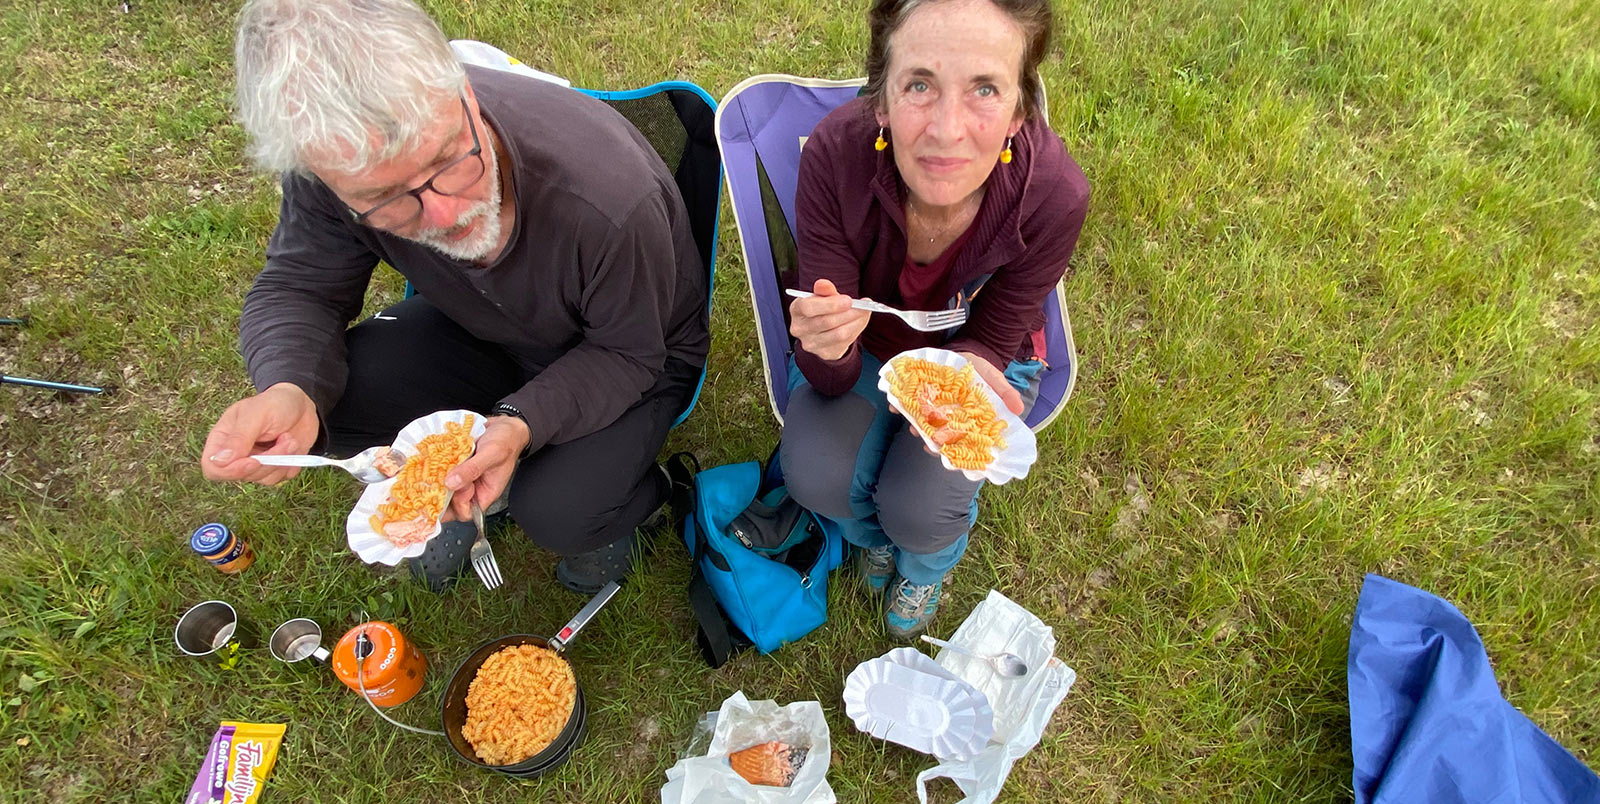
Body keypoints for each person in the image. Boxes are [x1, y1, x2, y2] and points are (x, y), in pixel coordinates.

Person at [199, 0, 708, 593]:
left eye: (449, 160)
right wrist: (290, 385)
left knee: (562, 511)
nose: (446, 215)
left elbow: (629, 352)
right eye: (387, 197)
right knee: (330, 399)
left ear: (464, 93)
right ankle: (455, 479)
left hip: (632, 351)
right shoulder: (331, 164)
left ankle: (639, 502)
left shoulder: (609, 198)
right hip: (480, 323)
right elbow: (301, 285)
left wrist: (519, 422)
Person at [781, 0, 1090, 638]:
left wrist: (968, 377)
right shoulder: (836, 158)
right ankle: (873, 539)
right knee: (814, 475)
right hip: (870, 350)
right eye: (920, 84)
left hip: (983, 353)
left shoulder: (1056, 195)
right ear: (883, 101)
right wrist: (829, 347)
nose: (947, 131)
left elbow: (997, 332)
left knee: (920, 508)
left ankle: (924, 565)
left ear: (1018, 112)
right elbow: (831, 371)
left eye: (984, 89)